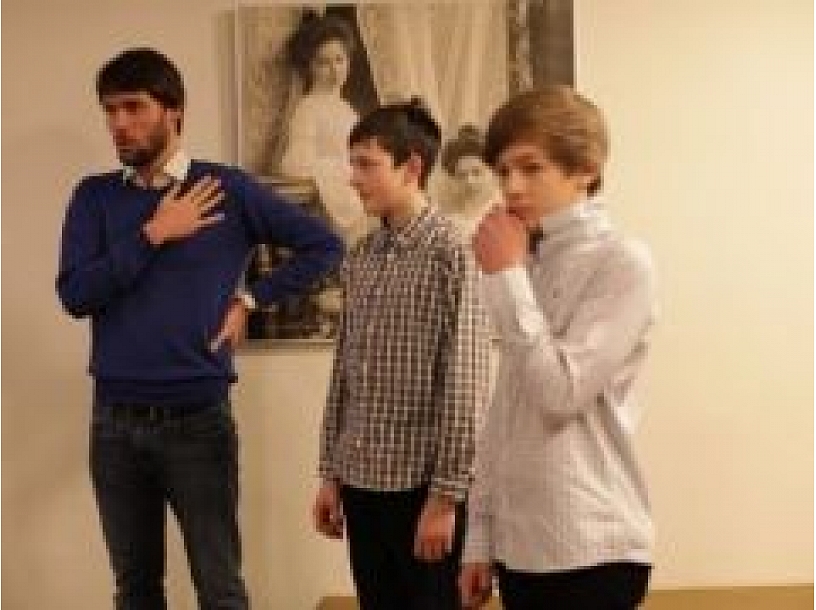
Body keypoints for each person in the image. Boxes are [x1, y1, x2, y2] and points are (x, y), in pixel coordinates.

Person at [56, 47, 343, 610]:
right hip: (113, 424)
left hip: (199, 422)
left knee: (220, 588)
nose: (119, 124)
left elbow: (324, 245)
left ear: (174, 112)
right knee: (135, 589)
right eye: (110, 110)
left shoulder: (226, 189)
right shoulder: (94, 197)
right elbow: (75, 295)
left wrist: (250, 299)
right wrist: (153, 234)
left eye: (133, 107)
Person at [459, 85, 657, 610]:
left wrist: (505, 275)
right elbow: (505, 411)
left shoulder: (622, 260)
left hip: (592, 545)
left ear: (586, 169)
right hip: (520, 548)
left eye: (531, 168)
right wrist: (480, 538)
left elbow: (560, 394)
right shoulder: (525, 260)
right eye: (503, 171)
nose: (511, 187)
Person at [312, 99, 492, 610]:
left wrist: (445, 499)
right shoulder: (362, 257)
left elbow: (467, 383)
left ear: (412, 167)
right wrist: (330, 473)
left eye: (366, 164)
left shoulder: (455, 253)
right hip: (360, 485)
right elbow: (344, 373)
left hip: (423, 493)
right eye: (352, 164)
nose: (353, 178)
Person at [280, 11, 370, 245]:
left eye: (340, 60)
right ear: (310, 67)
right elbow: (296, 163)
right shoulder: (308, 108)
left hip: (357, 193)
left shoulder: (347, 108)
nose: (334, 70)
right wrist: (340, 169)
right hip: (327, 207)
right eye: (323, 63)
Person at [439, 124, 499, 241]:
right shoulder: (450, 222)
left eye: (477, 172)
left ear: (493, 172)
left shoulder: (507, 213)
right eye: (461, 176)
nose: (469, 182)